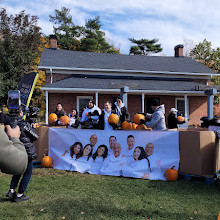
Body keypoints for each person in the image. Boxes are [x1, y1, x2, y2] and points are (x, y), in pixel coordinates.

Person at [6, 107, 38, 202]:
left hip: (14, 149)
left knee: (18, 171)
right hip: (26, 151)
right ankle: (20, 195)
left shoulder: (9, 123)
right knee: (27, 173)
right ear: (20, 114)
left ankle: (11, 190)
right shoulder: (23, 124)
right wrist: (32, 127)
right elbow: (35, 137)